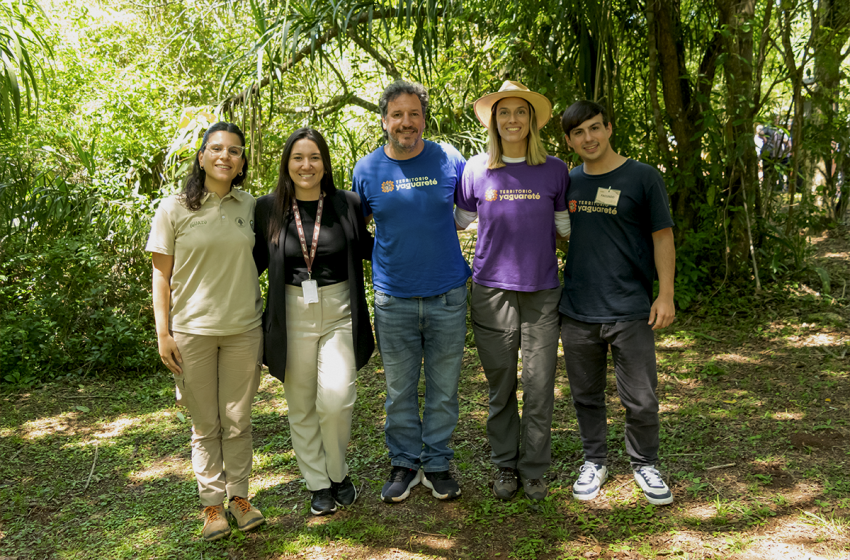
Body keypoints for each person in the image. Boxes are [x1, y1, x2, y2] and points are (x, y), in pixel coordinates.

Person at [352, 80, 471, 503]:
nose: (407, 122)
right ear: (384, 121)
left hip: (448, 295)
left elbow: (469, 211)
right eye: (397, 115)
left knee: (444, 387)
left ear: (424, 118)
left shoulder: (448, 159)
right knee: (399, 390)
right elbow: (357, 229)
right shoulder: (366, 170)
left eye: (414, 114)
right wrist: (385, 259)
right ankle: (404, 462)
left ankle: (437, 463)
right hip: (393, 299)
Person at [147, 122, 266, 541]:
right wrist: (164, 334)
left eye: (234, 151)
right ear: (201, 157)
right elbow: (161, 278)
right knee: (205, 424)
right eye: (216, 149)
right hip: (192, 332)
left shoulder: (251, 206)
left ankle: (240, 499)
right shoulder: (174, 208)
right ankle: (212, 507)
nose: (224, 156)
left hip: (244, 329)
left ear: (242, 162)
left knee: (237, 420)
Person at [455, 81, 570, 501]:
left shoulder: (555, 170)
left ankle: (534, 468)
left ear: (532, 120)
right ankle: (506, 464)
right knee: (501, 384)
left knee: (539, 385)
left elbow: (566, 229)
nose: (512, 119)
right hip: (491, 291)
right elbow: (457, 222)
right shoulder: (475, 169)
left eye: (520, 111)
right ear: (493, 121)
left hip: (542, 291)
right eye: (504, 113)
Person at [559, 101, 676, 506]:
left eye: (594, 128)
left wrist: (665, 294)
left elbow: (663, 236)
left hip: (630, 307)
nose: (588, 138)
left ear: (609, 128)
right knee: (585, 395)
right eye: (578, 133)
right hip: (577, 308)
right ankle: (595, 461)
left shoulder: (642, 177)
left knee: (641, 396)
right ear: (569, 141)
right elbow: (560, 233)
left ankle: (644, 463)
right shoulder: (568, 182)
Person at [253, 128, 375, 516]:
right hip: (291, 314)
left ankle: (338, 474)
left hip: (340, 310)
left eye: (314, 158)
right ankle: (318, 483)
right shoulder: (266, 208)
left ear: (325, 164)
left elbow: (378, 248)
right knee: (301, 404)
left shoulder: (348, 203)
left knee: (337, 400)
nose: (306, 165)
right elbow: (249, 263)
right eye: (298, 158)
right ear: (287, 164)